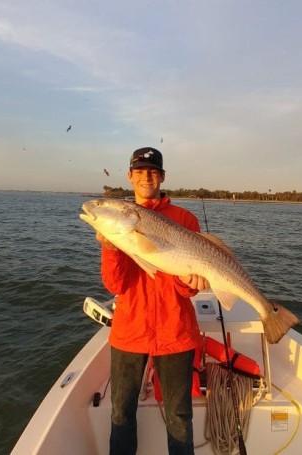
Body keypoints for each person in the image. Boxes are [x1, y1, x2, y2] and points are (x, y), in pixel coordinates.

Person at [95, 147, 209, 454]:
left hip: (175, 331)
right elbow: (116, 284)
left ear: (162, 177)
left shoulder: (185, 219)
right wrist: (111, 247)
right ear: (130, 176)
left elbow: (188, 288)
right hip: (130, 331)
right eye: (141, 171)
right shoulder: (119, 221)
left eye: (153, 171)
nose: (147, 177)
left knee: (180, 416)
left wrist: (192, 284)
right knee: (120, 413)